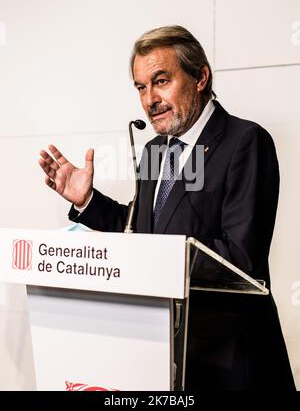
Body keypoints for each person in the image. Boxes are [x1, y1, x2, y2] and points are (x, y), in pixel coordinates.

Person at [39, 25, 295, 390]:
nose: (149, 100)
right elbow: (142, 232)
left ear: (200, 76)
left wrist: (157, 257)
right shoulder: (156, 151)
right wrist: (87, 201)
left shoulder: (244, 141)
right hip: (165, 356)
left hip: (230, 361)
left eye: (161, 81)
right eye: (141, 87)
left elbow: (240, 257)